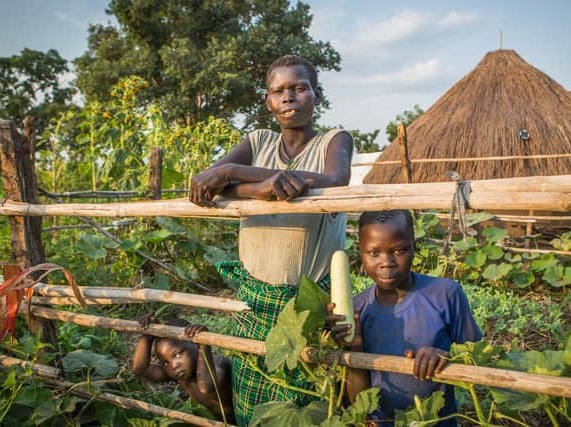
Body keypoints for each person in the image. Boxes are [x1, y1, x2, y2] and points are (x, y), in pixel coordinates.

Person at [189, 54, 354, 426]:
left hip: (308, 299)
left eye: (299, 88)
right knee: (255, 393)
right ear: (267, 101)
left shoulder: (333, 140)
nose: (288, 97)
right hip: (256, 295)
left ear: (317, 94)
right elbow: (208, 181)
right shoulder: (257, 140)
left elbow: (335, 180)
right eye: (278, 91)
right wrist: (261, 187)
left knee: (308, 395)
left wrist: (235, 175)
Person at [328, 210, 482, 427]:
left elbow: (478, 358)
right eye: (374, 253)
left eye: (399, 250)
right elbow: (357, 402)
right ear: (360, 254)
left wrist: (445, 355)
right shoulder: (356, 310)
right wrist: (355, 349)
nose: (386, 262)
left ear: (414, 247)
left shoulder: (446, 294)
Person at [131, 315, 235, 424]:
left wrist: (204, 344)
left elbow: (206, 387)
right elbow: (140, 370)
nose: (173, 365)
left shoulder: (218, 364)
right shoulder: (181, 377)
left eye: (178, 354)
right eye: (165, 363)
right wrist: (147, 336)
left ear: (196, 344)